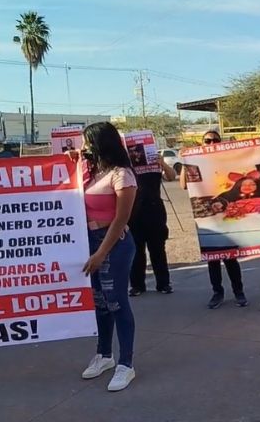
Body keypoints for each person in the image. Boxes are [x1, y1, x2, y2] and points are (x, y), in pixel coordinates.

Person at [69, 121, 138, 391]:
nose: (84, 147)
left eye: (87, 142)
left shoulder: (122, 175)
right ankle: (104, 355)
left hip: (114, 242)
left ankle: (126, 364)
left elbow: (121, 218)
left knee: (117, 302)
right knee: (99, 302)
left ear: (101, 143)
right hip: (89, 241)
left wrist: (100, 253)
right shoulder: (91, 172)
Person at [180, 131, 247, 309]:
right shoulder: (195, 161)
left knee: (231, 258)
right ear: (202, 143)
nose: (211, 143)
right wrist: (185, 161)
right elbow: (183, 185)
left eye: (215, 140)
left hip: (226, 215)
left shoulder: (226, 160)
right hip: (206, 218)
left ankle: (238, 291)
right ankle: (217, 292)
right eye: (208, 140)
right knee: (213, 258)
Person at [128, 154, 177, 296]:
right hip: (134, 212)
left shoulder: (154, 162)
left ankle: (163, 283)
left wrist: (163, 164)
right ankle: (137, 285)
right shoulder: (127, 165)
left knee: (158, 250)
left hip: (155, 209)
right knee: (136, 251)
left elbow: (171, 176)